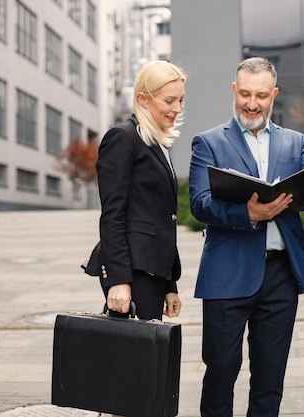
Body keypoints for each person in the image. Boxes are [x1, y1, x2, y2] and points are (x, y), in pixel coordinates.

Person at [189, 57, 304, 417]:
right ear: (234, 91)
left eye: (261, 95)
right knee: (221, 370)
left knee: (269, 377)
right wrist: (246, 214)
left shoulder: (295, 143)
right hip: (227, 273)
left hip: (281, 276)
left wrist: (296, 194)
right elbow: (199, 204)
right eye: (245, 94)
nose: (252, 103)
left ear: (273, 94)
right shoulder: (208, 142)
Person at [94, 60, 185, 321]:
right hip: (133, 273)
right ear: (143, 99)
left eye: (180, 100)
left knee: (147, 359)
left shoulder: (156, 144)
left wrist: (170, 285)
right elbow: (112, 215)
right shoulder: (123, 138)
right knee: (134, 359)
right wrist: (118, 280)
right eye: (169, 101)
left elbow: (161, 218)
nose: (177, 109)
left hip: (153, 274)